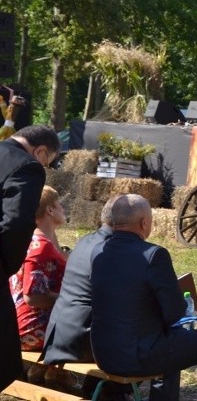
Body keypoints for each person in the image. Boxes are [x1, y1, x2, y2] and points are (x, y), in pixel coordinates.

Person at [90, 194, 197, 401]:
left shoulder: (99, 251)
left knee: (172, 343)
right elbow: (175, 312)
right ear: (144, 223)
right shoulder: (154, 255)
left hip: (104, 354)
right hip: (139, 356)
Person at [42, 196, 131, 400]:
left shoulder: (86, 240)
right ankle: (109, 392)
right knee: (142, 343)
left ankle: (99, 389)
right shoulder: (111, 249)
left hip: (58, 332)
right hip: (80, 341)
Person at [0, 124, 60, 390]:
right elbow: (15, 223)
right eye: (48, 162)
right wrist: (7, 266)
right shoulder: (27, 166)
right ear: (42, 153)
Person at [9, 185, 77, 390]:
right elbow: (33, 296)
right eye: (60, 205)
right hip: (29, 328)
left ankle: (44, 371)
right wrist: (73, 299)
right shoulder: (40, 246)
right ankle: (57, 374)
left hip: (17, 324)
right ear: (50, 210)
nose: (63, 209)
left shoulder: (31, 240)